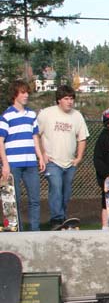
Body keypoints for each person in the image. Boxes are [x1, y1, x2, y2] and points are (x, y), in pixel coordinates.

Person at [37, 85, 89, 229]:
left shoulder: (77, 116)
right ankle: (56, 219)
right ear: (59, 100)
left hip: (69, 162)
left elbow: (82, 138)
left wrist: (78, 157)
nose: (70, 102)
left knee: (65, 192)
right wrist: (42, 154)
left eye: (72, 99)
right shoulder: (47, 114)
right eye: (66, 99)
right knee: (56, 186)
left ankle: (63, 219)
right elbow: (36, 134)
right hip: (52, 161)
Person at [0, 79, 46, 231]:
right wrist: (5, 164)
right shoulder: (6, 116)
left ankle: (35, 231)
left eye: (27, 92)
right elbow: (0, 141)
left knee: (35, 199)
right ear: (15, 94)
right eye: (23, 92)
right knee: (15, 200)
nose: (26, 95)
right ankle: (17, 230)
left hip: (30, 163)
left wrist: (40, 156)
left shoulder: (31, 115)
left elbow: (35, 137)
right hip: (13, 164)